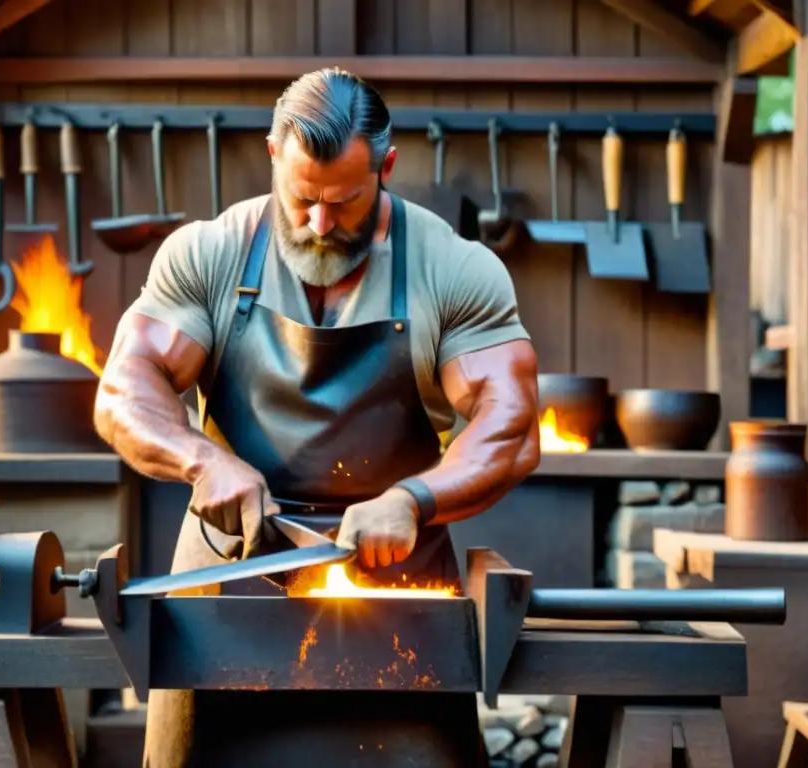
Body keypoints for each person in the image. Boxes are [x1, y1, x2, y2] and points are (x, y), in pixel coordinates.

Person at [94, 68, 540, 768]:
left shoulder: (454, 269)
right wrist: (202, 460)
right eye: (303, 198)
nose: (320, 224)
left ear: (387, 167)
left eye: (347, 200)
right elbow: (125, 389)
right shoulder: (208, 255)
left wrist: (414, 499)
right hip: (228, 592)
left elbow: (510, 428)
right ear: (273, 154)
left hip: (394, 595)